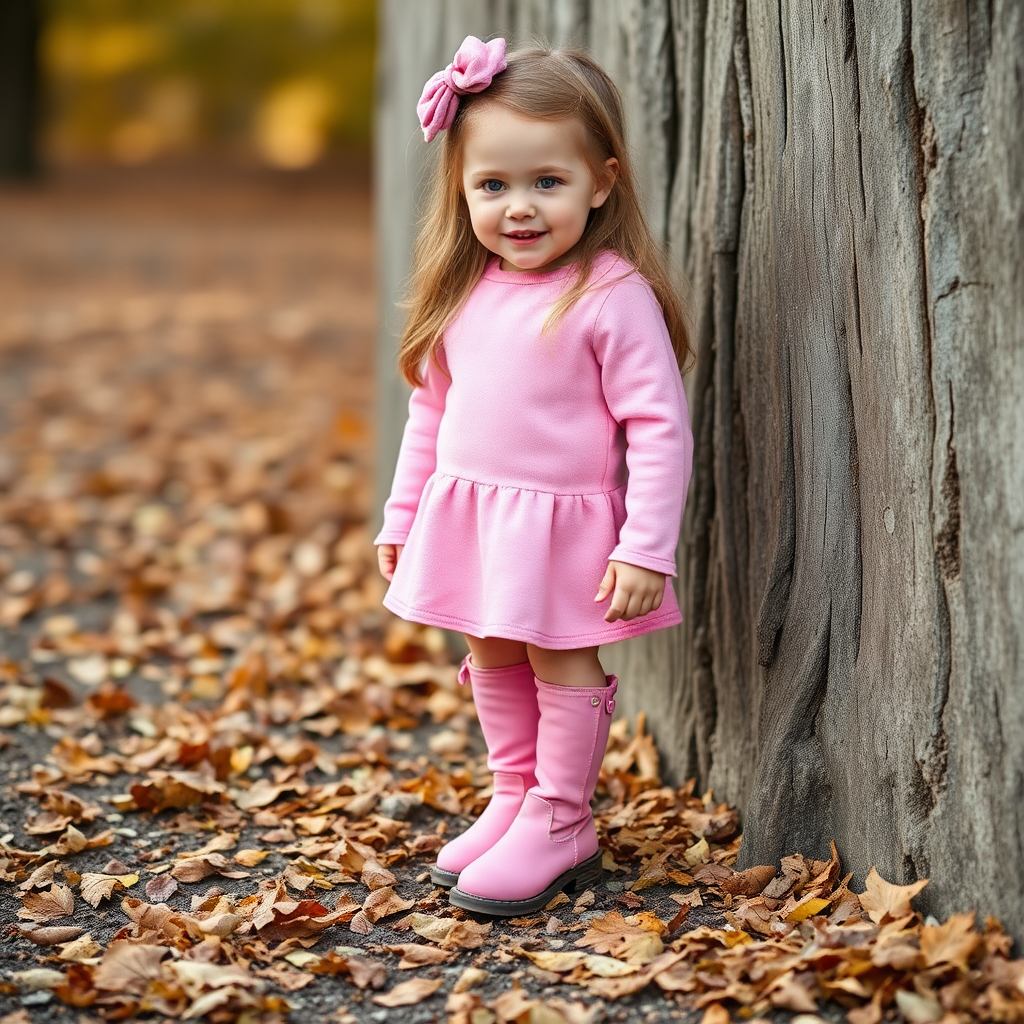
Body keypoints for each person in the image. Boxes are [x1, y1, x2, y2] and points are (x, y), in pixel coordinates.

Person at [375, 35, 694, 916]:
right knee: (489, 646)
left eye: (546, 182)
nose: (520, 207)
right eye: (494, 185)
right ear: (464, 190)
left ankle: (561, 817)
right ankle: (513, 794)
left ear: (602, 180)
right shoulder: (465, 288)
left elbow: (658, 426)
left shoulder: (609, 293)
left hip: (564, 526)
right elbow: (430, 413)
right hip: (472, 516)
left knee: (560, 657)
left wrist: (646, 547)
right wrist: (401, 520)